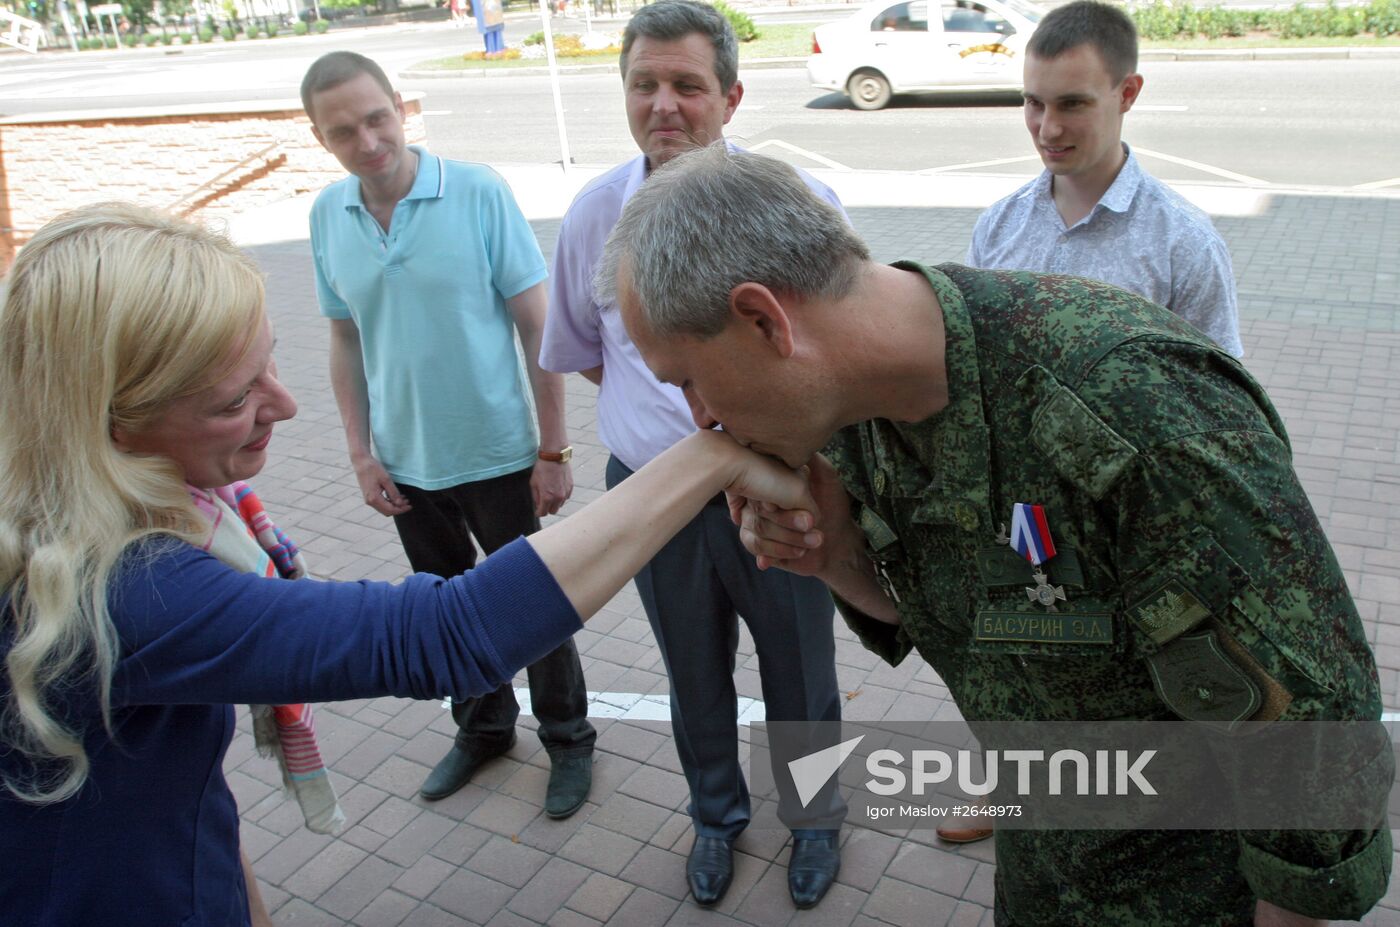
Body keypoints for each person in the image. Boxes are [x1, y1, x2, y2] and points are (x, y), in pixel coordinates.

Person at [595, 144, 1392, 926]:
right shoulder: (859, 421)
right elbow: (976, 629)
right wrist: (834, 556)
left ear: (764, 320)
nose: (698, 419)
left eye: (688, 380)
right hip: (1045, 872)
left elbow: (1317, 724)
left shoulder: (1134, 406)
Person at [0, 202, 817, 927]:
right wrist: (708, 457)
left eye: (271, 366)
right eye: (232, 401)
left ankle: (814, 813)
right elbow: (441, 635)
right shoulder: (121, 590)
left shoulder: (84, 511)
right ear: (108, 424)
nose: (284, 405)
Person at [539, 0, 846, 909]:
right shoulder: (596, 214)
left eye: (686, 84)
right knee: (693, 671)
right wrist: (669, 440)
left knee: (801, 671)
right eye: (644, 84)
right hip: (655, 498)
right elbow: (589, 352)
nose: (663, 104)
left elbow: (835, 354)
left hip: (780, 489)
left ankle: (816, 819)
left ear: (732, 96)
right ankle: (717, 816)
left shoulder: (798, 209)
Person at [301, 51, 597, 817]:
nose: (367, 141)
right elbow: (346, 341)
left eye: (375, 118)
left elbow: (540, 328)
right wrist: (362, 453)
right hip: (407, 463)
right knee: (442, 610)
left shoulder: (475, 192)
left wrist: (553, 449)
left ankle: (568, 737)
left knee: (533, 605)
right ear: (319, 137)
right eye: (343, 132)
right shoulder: (326, 214)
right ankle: (485, 727)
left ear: (400, 106)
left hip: (498, 454)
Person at [968, 0, 1242, 359]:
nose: (1048, 130)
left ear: (1127, 93)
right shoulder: (997, 227)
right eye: (1034, 103)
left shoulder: (1184, 243)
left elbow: (1220, 395)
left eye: (1072, 104)